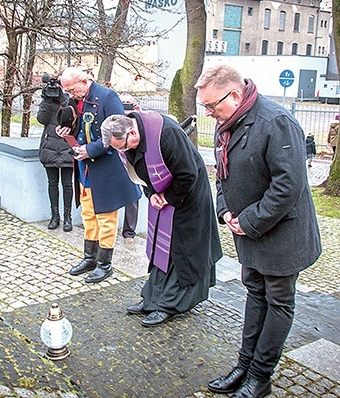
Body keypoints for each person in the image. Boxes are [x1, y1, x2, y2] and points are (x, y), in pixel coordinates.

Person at [195, 64, 321, 398]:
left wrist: (248, 221)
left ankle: (260, 377)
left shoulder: (275, 122)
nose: (208, 113)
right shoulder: (228, 124)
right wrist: (224, 210)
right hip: (248, 230)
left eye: (212, 105)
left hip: (281, 233)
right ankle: (244, 366)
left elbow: (289, 184)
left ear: (235, 95)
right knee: (254, 292)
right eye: (204, 106)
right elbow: (223, 175)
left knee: (278, 301)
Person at [101, 112, 222, 327]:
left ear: (131, 132)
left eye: (123, 147)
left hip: (188, 196)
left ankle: (169, 305)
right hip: (164, 195)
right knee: (160, 246)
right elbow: (142, 175)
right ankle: (152, 298)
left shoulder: (166, 134)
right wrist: (152, 195)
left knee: (179, 249)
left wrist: (167, 197)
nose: (123, 152)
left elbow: (188, 175)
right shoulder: (130, 139)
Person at [55, 67, 141, 283]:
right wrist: (66, 133)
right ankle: (89, 258)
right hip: (85, 170)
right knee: (88, 216)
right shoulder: (76, 100)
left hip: (105, 170)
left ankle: (105, 265)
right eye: (67, 91)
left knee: (106, 219)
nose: (70, 95)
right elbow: (79, 130)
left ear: (84, 81)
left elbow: (118, 134)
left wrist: (90, 150)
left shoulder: (107, 97)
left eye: (72, 89)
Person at [37, 74, 74, 232]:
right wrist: (47, 100)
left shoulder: (68, 99)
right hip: (50, 146)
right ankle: (55, 216)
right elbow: (42, 119)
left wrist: (61, 97)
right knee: (52, 183)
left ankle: (68, 217)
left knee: (67, 184)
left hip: (67, 145)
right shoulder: (46, 100)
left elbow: (71, 115)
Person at [118, 93, 142, 243]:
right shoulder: (114, 119)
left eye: (129, 103)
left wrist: (138, 112)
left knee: (133, 197)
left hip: (132, 164)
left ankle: (129, 233)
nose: (126, 106)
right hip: (115, 162)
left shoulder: (139, 119)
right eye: (123, 103)